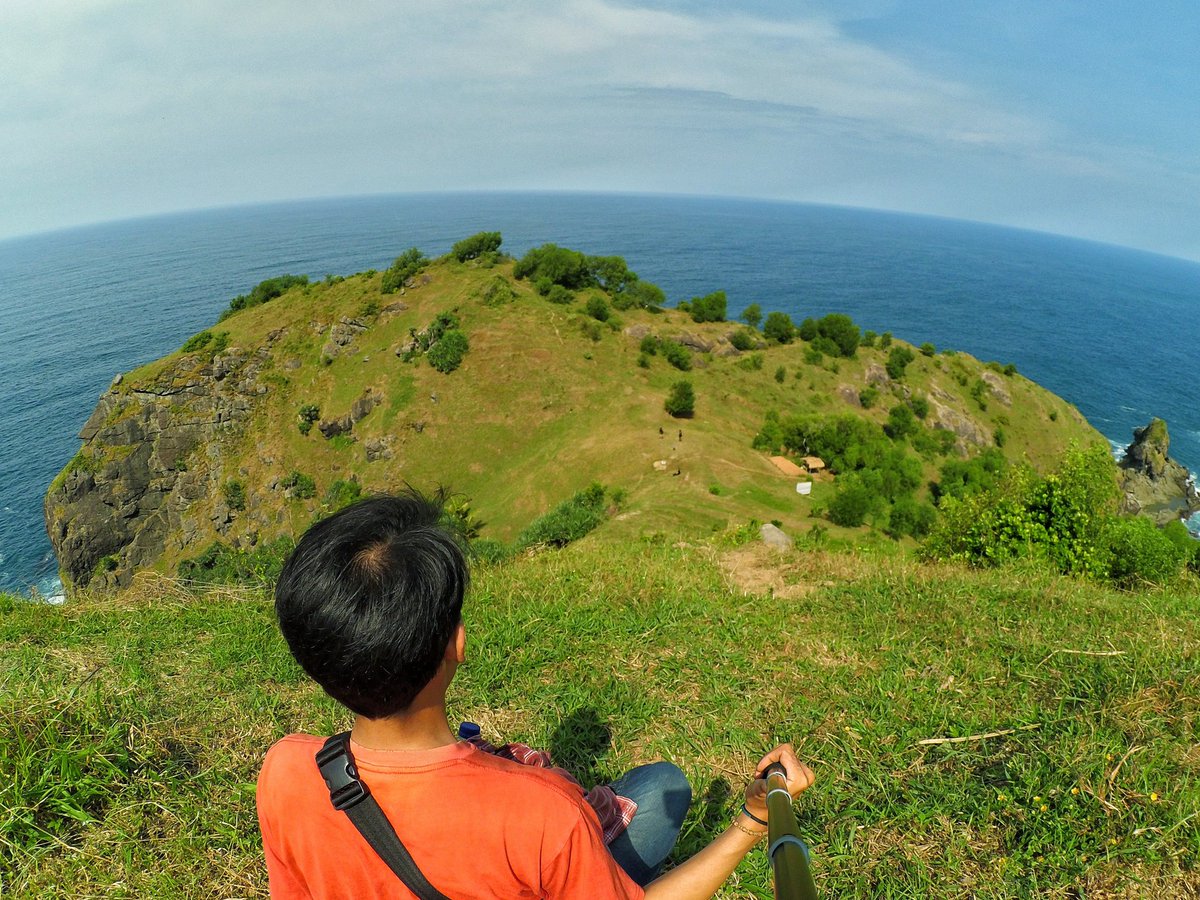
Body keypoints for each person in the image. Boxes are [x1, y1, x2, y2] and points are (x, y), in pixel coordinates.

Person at [257, 491, 815, 898]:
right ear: (457, 643)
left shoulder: (285, 771)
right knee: (663, 784)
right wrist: (755, 819)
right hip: (545, 843)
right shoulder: (544, 812)